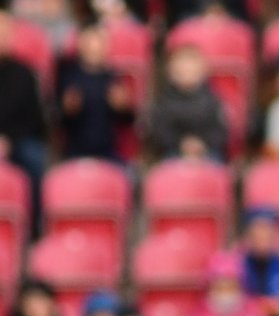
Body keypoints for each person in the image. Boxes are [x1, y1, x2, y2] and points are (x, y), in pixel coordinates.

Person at [57, 23, 135, 163]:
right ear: (80, 45)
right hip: (75, 151)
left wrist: (123, 108)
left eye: (99, 42)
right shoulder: (67, 76)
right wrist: (69, 110)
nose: (94, 47)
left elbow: (128, 121)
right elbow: (57, 121)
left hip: (109, 151)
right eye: (89, 42)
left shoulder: (115, 77)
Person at [148, 43, 228, 162]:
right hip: (174, 151)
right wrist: (181, 144)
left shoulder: (212, 101)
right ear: (172, 72)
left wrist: (202, 144)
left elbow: (220, 131)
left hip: (207, 152)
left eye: (191, 70)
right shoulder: (163, 102)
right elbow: (160, 132)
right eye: (182, 70)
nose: (187, 73)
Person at [0, 12, 49, 191]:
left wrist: (8, 139)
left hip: (18, 140)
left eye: (5, 32)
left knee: (33, 156)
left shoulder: (24, 73)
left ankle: (34, 218)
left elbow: (35, 121)